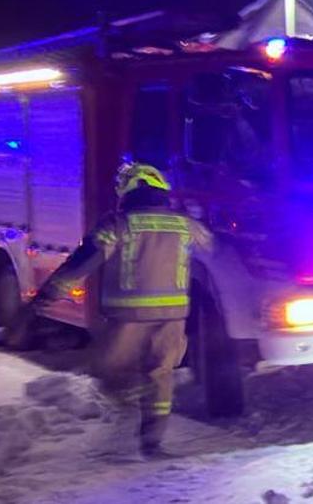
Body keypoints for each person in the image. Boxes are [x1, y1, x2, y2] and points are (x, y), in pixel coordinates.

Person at [35, 163, 211, 458]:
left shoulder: (117, 225)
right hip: (172, 318)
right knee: (160, 376)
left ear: (130, 191)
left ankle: (125, 415)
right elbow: (214, 250)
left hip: (128, 317)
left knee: (110, 371)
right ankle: (152, 442)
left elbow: (82, 262)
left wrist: (51, 293)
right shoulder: (185, 225)